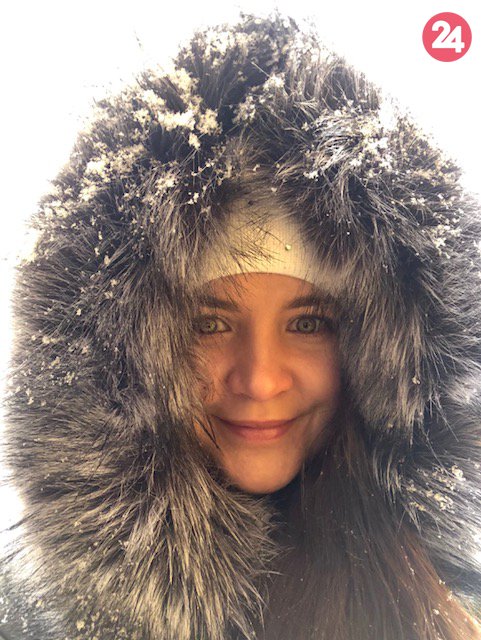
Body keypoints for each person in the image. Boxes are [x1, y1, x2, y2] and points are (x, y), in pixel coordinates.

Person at [0, 10, 480, 640]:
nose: (259, 380)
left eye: (308, 322)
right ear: (122, 359)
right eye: (208, 324)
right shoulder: (29, 618)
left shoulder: (453, 607)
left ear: (383, 352)